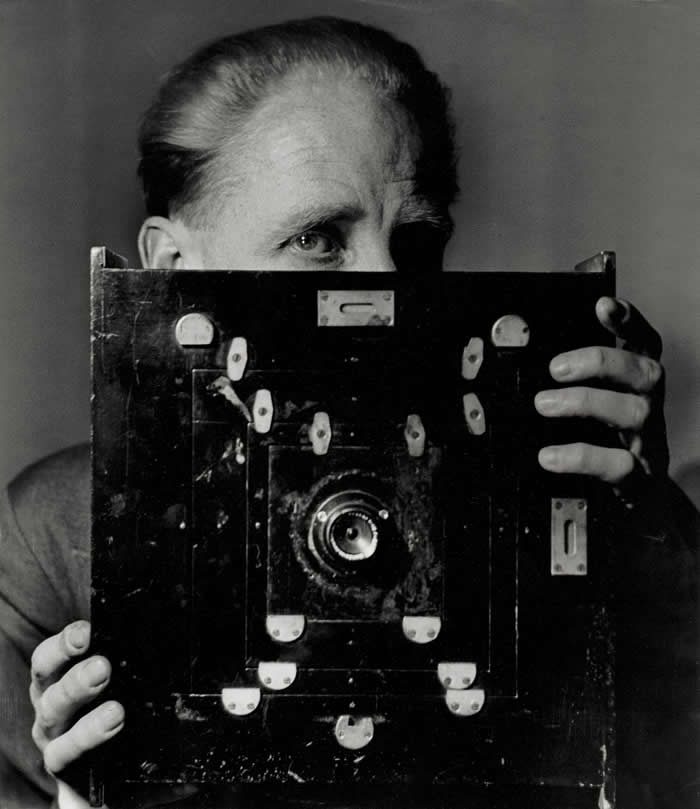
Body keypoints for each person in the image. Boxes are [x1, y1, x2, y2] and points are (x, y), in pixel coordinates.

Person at [0, 16, 696, 809]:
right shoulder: (54, 539)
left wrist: (653, 544)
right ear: (171, 268)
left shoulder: (549, 515)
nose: (387, 284)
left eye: (418, 241)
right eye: (318, 237)